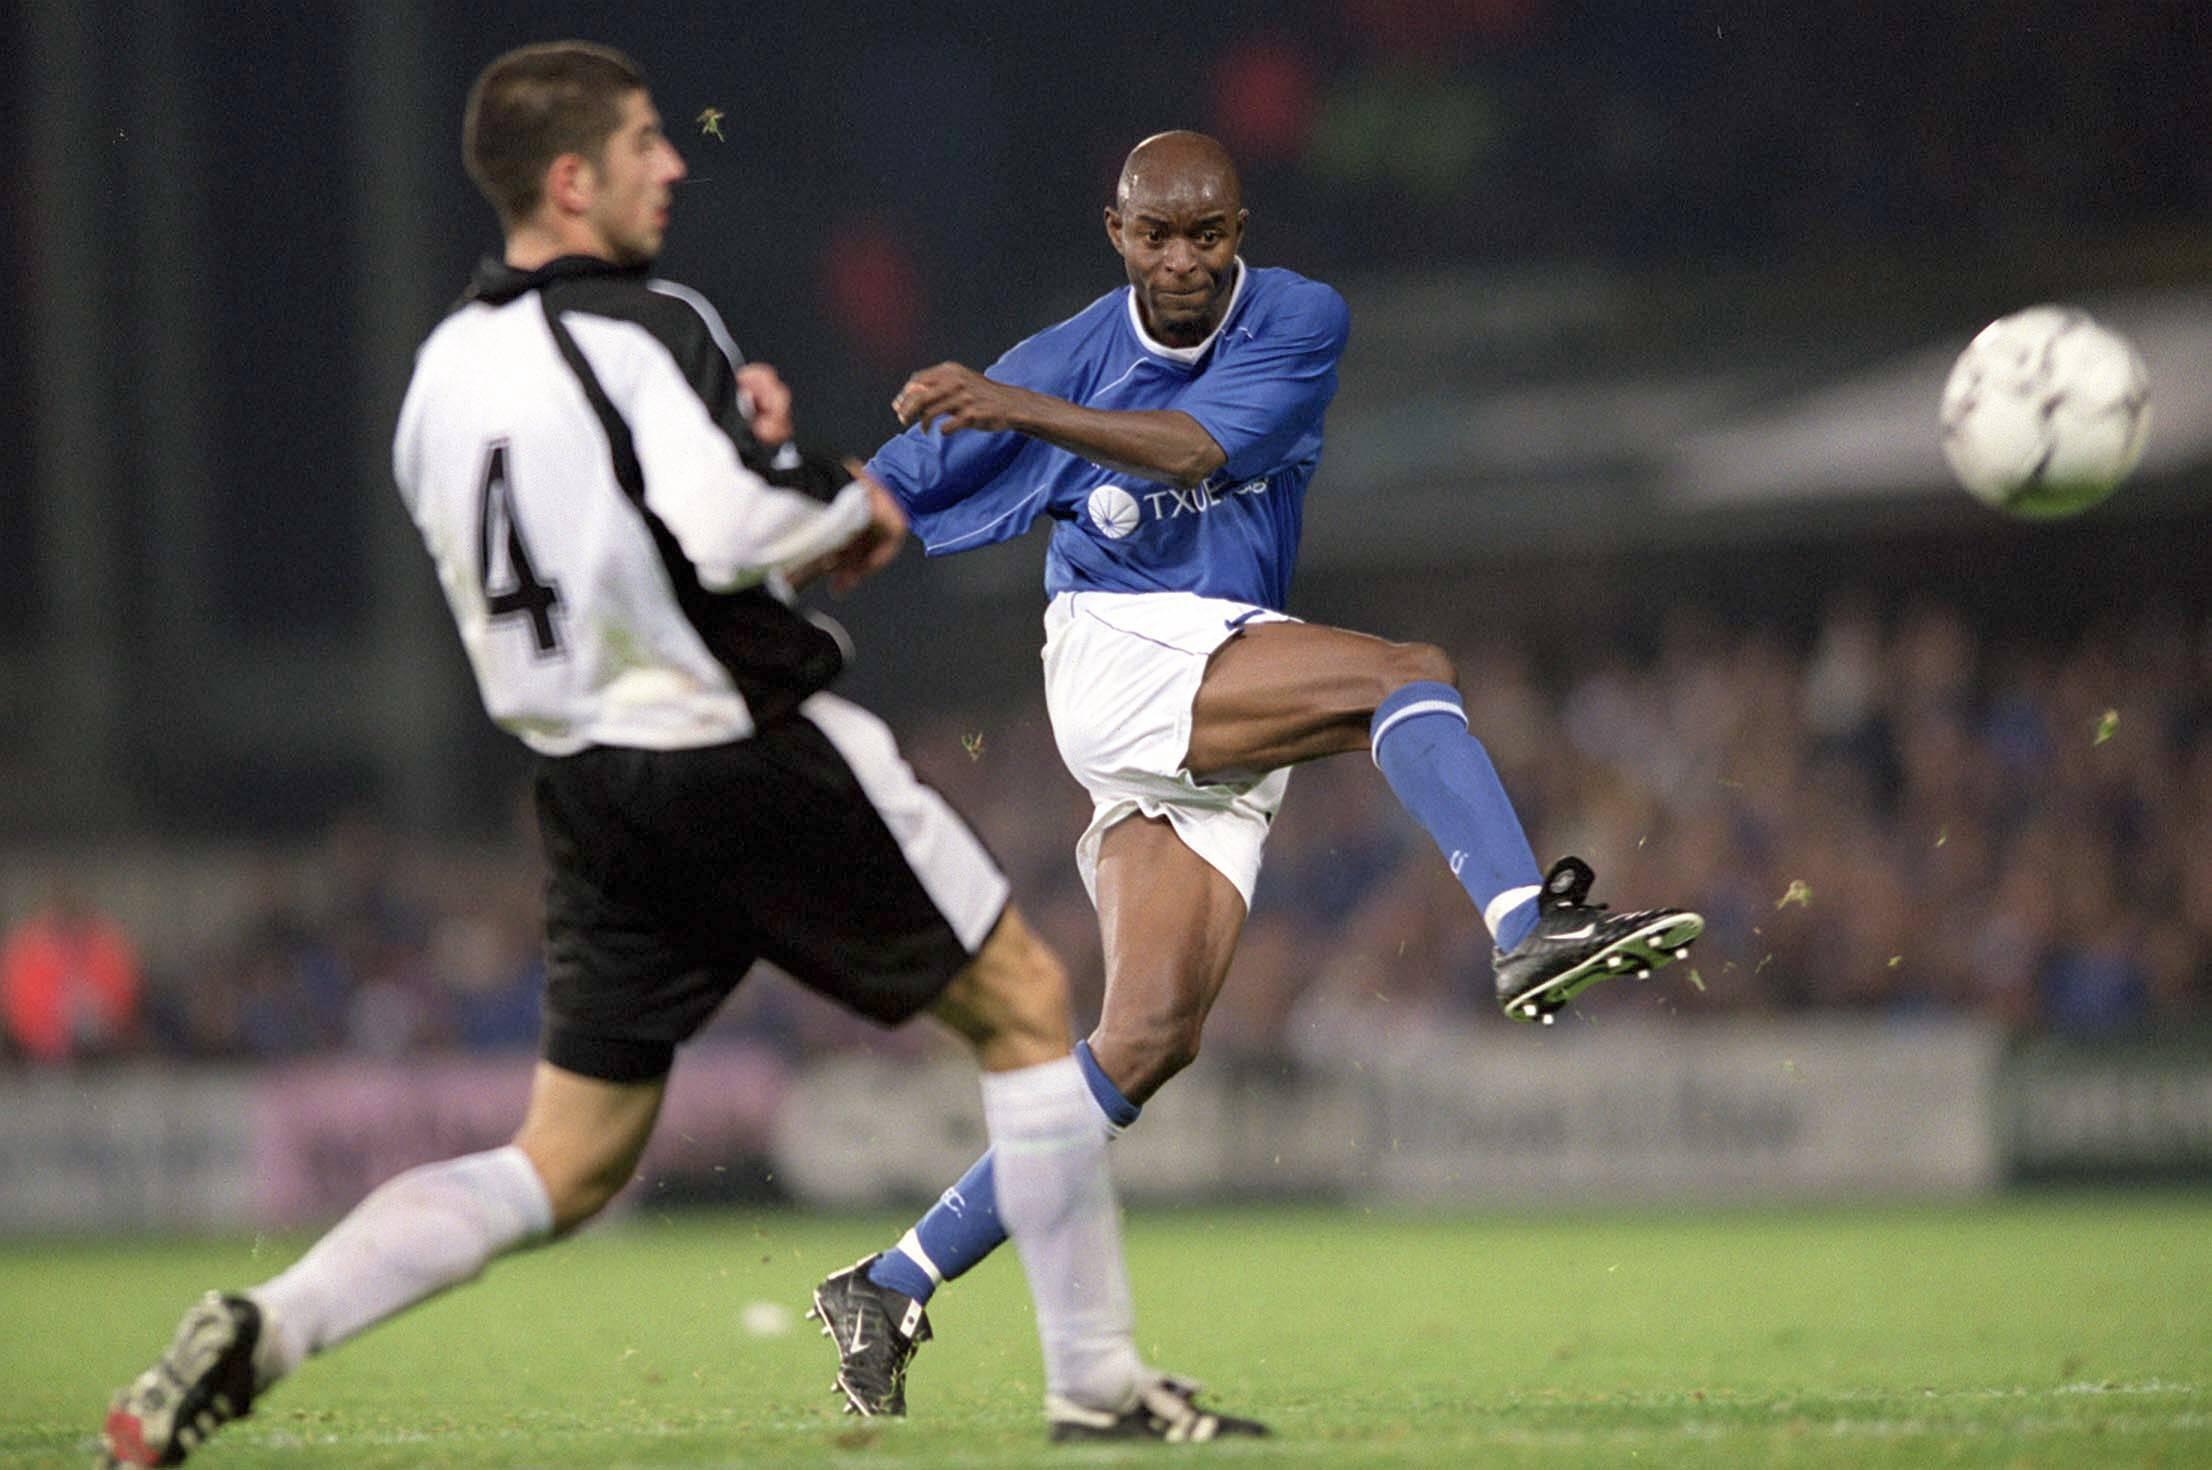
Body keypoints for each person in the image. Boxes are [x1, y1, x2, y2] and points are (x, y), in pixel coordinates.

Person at [96, 47, 1260, 1466]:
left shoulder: (438, 376)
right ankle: (1097, 1383)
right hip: (738, 743)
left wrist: (727, 468)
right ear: (568, 178)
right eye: (642, 143)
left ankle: (265, 1325)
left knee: (564, 1159)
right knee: (1024, 1008)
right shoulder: (646, 325)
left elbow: (548, 546)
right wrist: (840, 502)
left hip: (589, 788)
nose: (671, 163)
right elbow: (733, 528)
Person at [808, 130, 1705, 1412]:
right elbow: (881, 496)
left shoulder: (1294, 319)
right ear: (1115, 233)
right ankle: (1526, 925)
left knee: (1144, 1043)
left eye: (1206, 233)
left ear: (1240, 231)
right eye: (1155, 235)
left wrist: (1014, 409)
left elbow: (1192, 451)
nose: (1181, 259)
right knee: (1404, 673)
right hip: (1119, 653)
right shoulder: (1055, 356)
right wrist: (754, 528)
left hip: (1218, 665)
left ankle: (890, 1282)